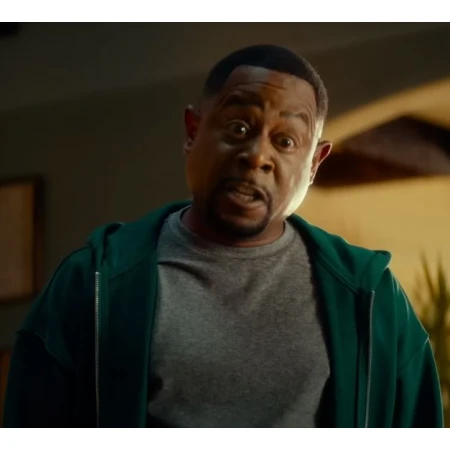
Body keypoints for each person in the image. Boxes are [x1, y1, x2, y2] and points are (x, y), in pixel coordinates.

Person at [3, 44, 443, 428]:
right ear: (193, 132)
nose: (257, 156)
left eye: (286, 141)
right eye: (239, 128)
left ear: (314, 165)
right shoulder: (93, 285)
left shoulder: (370, 299)